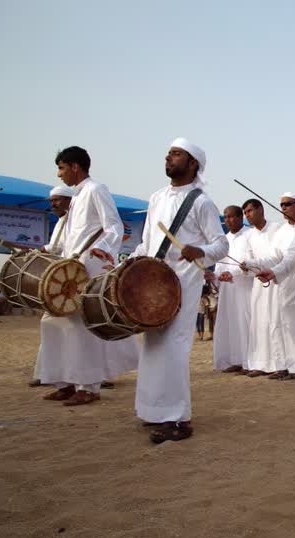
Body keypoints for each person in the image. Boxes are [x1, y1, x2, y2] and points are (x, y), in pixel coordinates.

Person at [129, 138, 228, 443]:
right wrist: (130, 264)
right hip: (153, 283)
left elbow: (221, 245)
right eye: (169, 153)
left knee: (174, 347)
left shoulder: (201, 202)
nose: (168, 157)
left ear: (192, 163)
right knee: (153, 345)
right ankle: (153, 411)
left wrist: (200, 251)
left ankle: (177, 419)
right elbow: (146, 242)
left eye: (175, 154)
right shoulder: (157, 197)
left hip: (182, 284)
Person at [38, 147, 136, 406]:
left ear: (75, 167)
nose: (59, 174)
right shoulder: (76, 198)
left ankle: (88, 387)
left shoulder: (96, 189)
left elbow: (113, 225)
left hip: (87, 270)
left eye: (61, 168)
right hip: (69, 271)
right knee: (53, 322)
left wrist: (102, 248)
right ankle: (65, 382)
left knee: (82, 328)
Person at [252, 192, 295, 381]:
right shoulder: (281, 232)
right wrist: (252, 264)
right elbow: (275, 257)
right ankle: (292, 367)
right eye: (282, 205)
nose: (283, 208)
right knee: (285, 326)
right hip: (284, 284)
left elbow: (294, 257)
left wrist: (275, 271)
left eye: (288, 204)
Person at [30, 185, 74, 387]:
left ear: (69, 201)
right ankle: (47, 372)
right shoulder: (61, 222)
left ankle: (96, 377)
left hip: (73, 280)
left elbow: (64, 247)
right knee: (50, 324)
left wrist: (45, 249)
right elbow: (55, 246)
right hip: (61, 280)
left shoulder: (76, 220)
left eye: (57, 200)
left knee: (73, 328)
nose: (53, 204)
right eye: (51, 201)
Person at [242, 198, 288, 378]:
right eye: (245, 213)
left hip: (276, 281)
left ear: (260, 209)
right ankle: (260, 364)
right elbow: (248, 260)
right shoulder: (249, 235)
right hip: (259, 284)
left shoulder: (277, 229)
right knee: (259, 323)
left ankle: (280, 365)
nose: (247, 215)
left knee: (275, 321)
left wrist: (255, 264)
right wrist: (246, 267)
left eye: (249, 211)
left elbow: (278, 257)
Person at [209, 205, 252, 372]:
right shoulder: (224, 240)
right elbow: (220, 266)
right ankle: (235, 360)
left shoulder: (250, 235)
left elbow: (250, 261)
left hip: (245, 288)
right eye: (225, 217)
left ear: (240, 217)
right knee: (231, 324)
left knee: (246, 323)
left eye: (231, 216)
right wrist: (214, 276)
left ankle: (250, 361)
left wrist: (233, 273)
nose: (228, 220)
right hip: (227, 291)